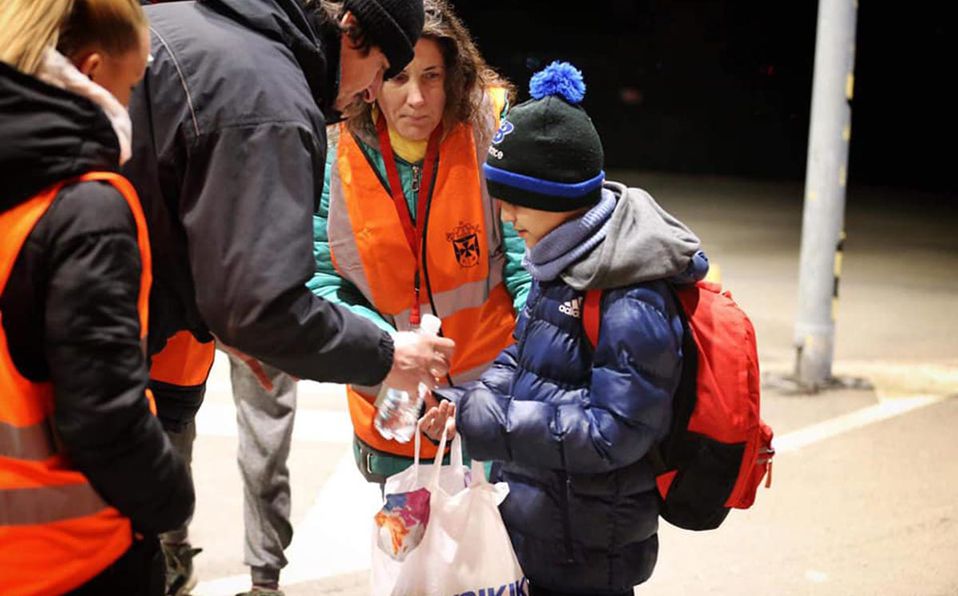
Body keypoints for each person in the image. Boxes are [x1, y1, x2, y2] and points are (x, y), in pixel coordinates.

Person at [121, 1, 457, 594]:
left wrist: (217, 315)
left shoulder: (191, 25)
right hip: (81, 350)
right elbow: (260, 307)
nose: (371, 92)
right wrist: (389, 353)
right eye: (382, 70)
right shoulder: (268, 98)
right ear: (350, 31)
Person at [225, 1, 530, 592]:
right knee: (409, 562)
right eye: (398, 76)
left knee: (495, 561)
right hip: (391, 401)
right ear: (372, 78)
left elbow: (525, 266)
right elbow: (316, 277)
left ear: (456, 78)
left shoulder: (490, 135)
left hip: (489, 400)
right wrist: (390, 348)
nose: (415, 99)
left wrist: (507, 383)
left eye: (432, 77)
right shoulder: (332, 147)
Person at [426, 62, 710, 596]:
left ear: (557, 197)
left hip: (589, 545)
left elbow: (615, 431)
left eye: (514, 198)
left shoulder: (631, 290)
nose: (505, 215)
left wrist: (491, 421)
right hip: (541, 522)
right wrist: (463, 406)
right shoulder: (560, 262)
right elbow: (519, 356)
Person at [0, 1, 194, 594]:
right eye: (133, 84)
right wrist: (170, 498)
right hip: (74, 555)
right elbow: (104, 420)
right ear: (88, 71)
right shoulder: (88, 208)